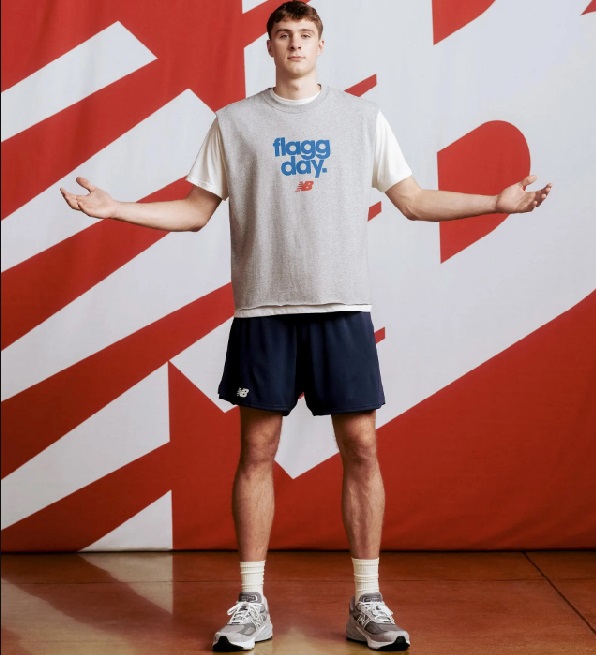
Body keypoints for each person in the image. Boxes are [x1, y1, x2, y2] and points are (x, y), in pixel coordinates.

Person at [61, 2, 551, 651]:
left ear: (322, 44)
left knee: (363, 448)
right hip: (264, 312)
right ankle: (251, 602)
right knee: (256, 451)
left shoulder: (361, 118)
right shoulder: (234, 122)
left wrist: (496, 202)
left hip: (341, 309)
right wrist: (118, 208)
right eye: (284, 35)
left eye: (305, 35)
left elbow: (412, 200)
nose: (295, 44)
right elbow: (195, 211)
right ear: (268, 47)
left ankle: (367, 600)